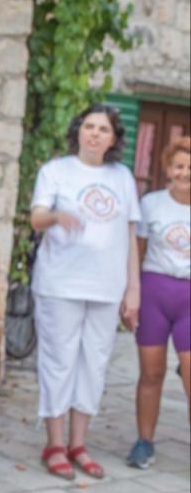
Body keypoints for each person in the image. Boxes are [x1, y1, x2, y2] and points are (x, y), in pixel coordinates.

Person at [29, 104, 140, 481]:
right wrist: (56, 216)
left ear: (113, 139)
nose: (94, 133)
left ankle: (79, 444)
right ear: (78, 130)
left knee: (94, 364)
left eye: (103, 129)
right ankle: (55, 444)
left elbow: (129, 235)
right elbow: (36, 217)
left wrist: (133, 289)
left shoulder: (122, 177)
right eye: (89, 126)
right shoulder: (55, 171)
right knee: (59, 362)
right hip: (60, 283)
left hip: (107, 287)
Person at [127, 136, 191, 469]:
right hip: (155, 293)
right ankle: (144, 442)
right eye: (179, 166)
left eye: (190, 167)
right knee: (151, 373)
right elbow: (135, 255)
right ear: (168, 168)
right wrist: (131, 296)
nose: (185, 173)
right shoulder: (151, 203)